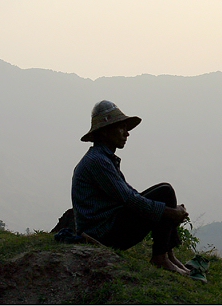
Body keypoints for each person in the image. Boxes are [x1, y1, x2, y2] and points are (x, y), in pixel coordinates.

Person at [72, 100, 190, 275]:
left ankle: (167, 254)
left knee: (165, 190)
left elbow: (128, 193)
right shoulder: (97, 162)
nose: (126, 133)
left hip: (107, 226)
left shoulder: (104, 158)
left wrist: (168, 211)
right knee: (164, 193)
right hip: (102, 233)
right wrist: (170, 212)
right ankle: (160, 258)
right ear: (104, 132)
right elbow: (129, 199)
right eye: (121, 128)